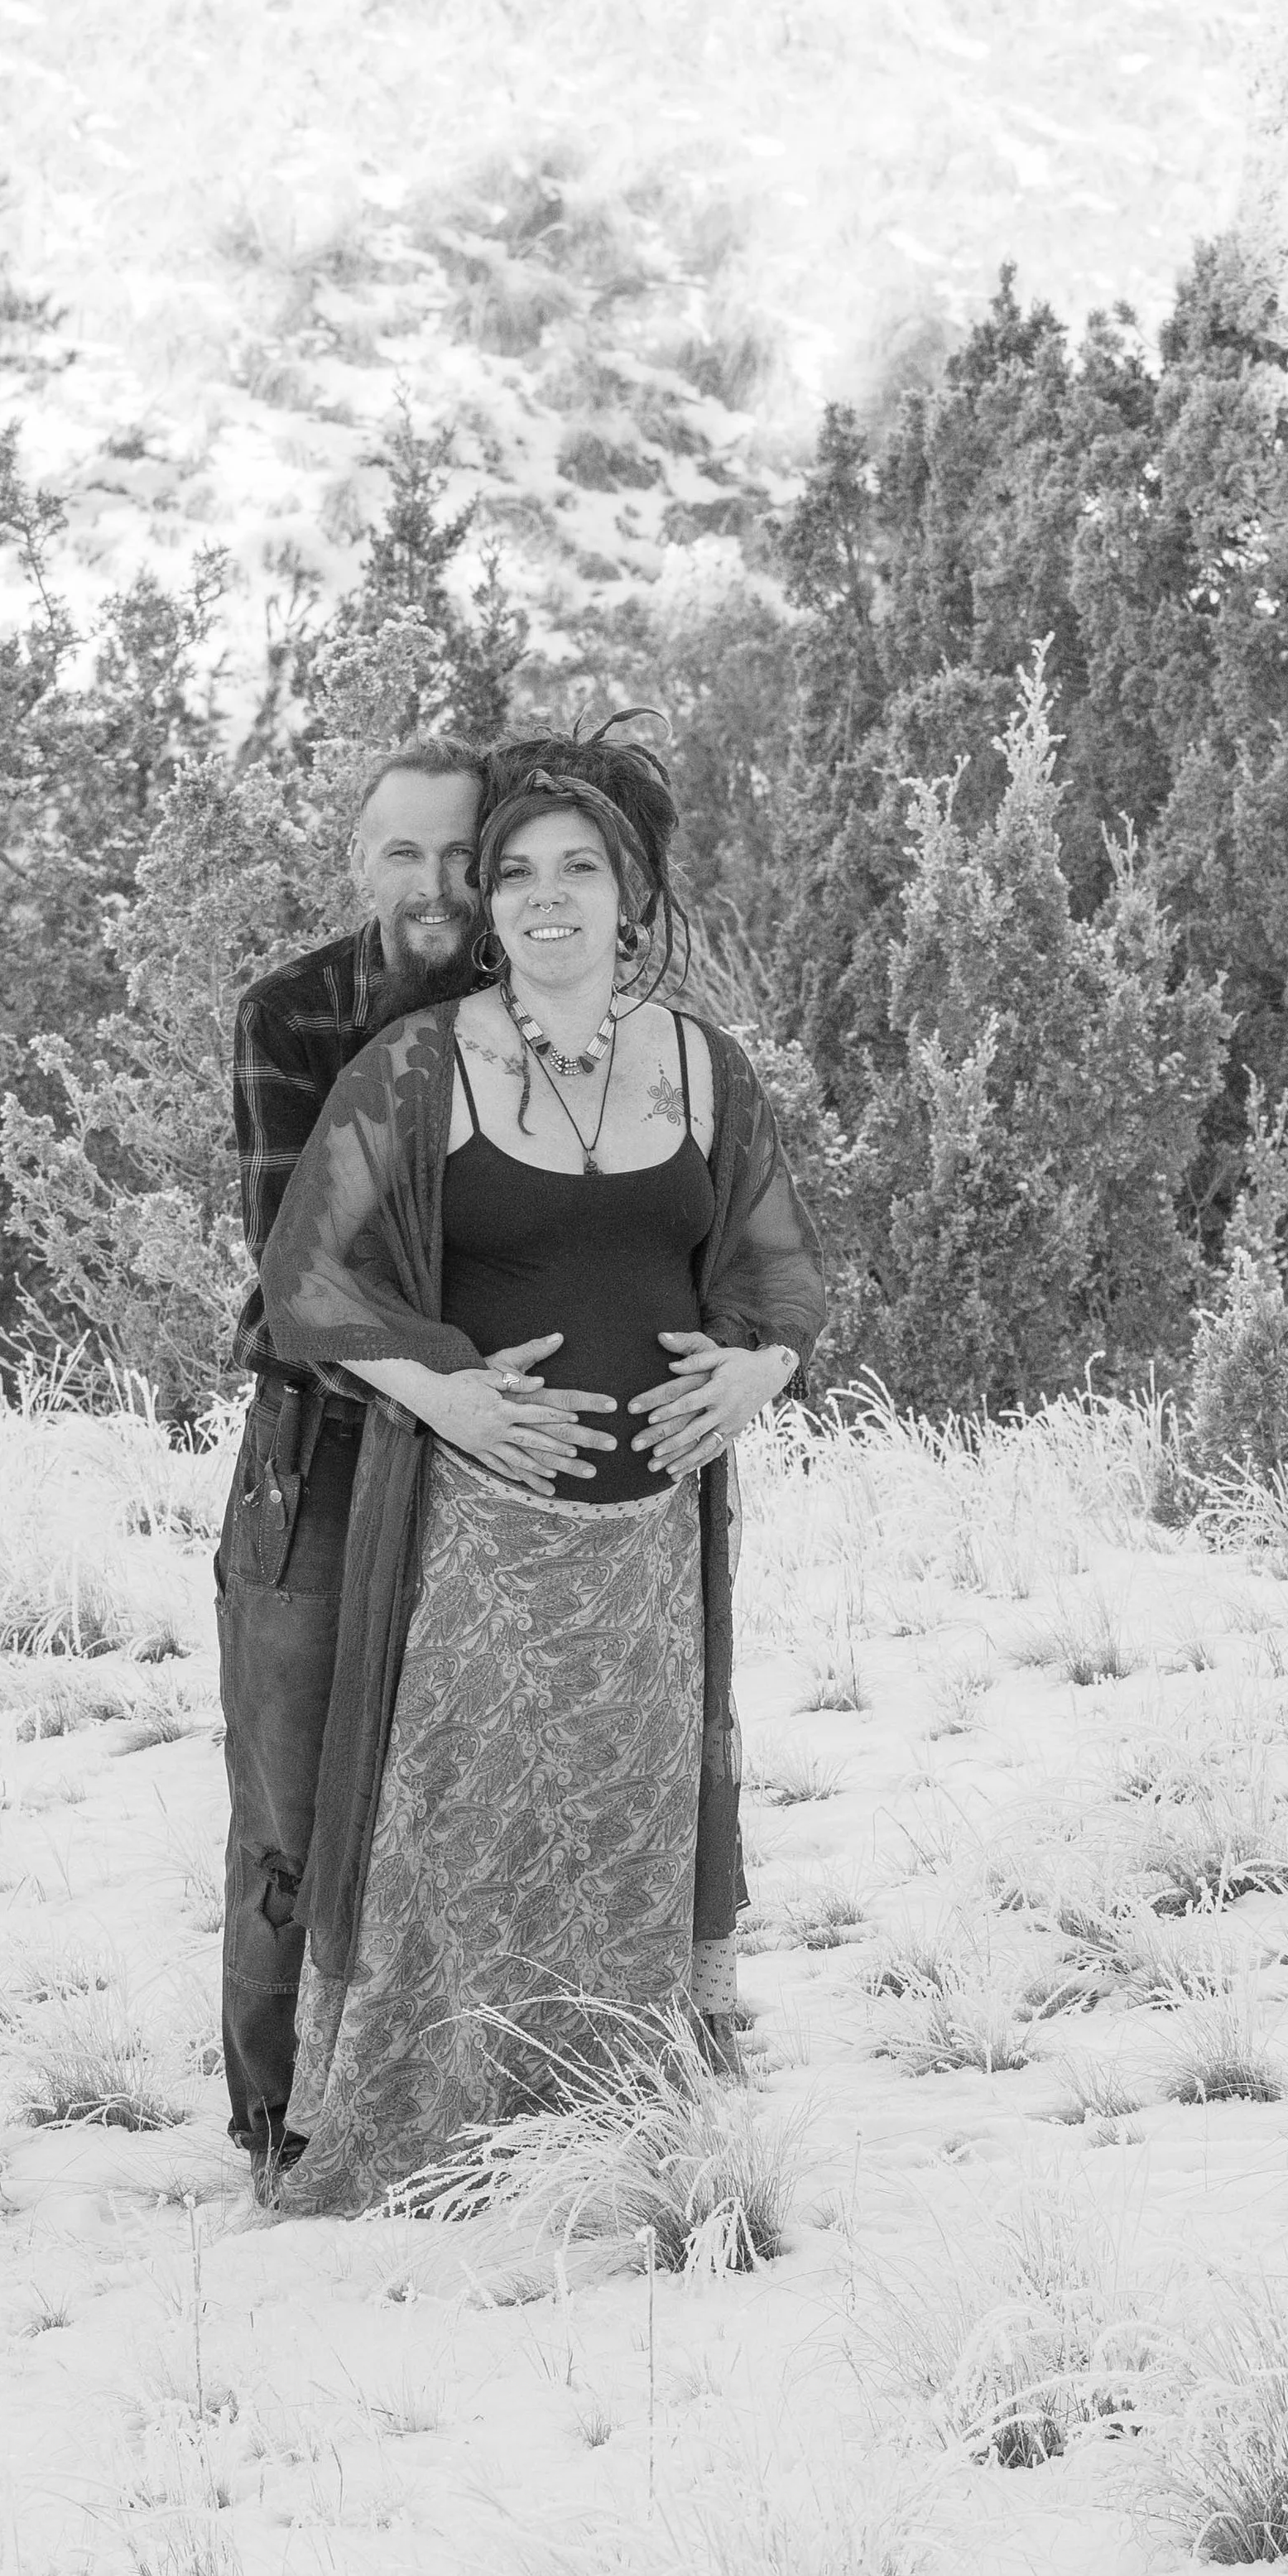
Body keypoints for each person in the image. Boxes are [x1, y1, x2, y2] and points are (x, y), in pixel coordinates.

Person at [258, 730, 827, 2213]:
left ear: (632, 895)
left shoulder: (707, 1067)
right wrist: (447, 1390)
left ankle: (614, 2123)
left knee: (625, 1835)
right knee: (461, 1835)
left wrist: (760, 1371)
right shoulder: (415, 1066)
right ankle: (437, 2136)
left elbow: (778, 1271)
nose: (543, 896)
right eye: (515, 872)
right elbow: (306, 1276)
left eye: (580, 868)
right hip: (472, 1539)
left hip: (651, 1546)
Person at [214, 738, 615, 2183]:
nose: (436, 886)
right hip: (323, 1452)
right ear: (357, 862)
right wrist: (443, 1379)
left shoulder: (549, 1012)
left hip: (507, 1467)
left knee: (480, 1800)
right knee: (296, 1803)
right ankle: (279, 2126)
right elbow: (287, 1285)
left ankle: (462, 2104)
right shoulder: (294, 1016)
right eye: (403, 855)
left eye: (464, 855)